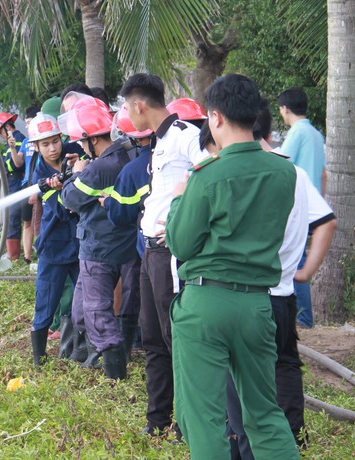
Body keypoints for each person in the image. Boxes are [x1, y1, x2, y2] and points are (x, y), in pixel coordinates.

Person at [165, 73, 300, 459]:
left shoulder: (206, 176)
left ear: (216, 117)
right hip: (258, 304)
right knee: (264, 413)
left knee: (203, 418)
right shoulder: (283, 171)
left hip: (207, 302)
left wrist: (179, 199)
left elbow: (181, 242)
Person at [226, 156, 337, 460]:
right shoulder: (295, 173)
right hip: (284, 293)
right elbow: (327, 221)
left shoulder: (236, 172)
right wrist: (305, 271)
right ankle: (293, 440)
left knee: (241, 380)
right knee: (285, 366)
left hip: (248, 295)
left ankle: (245, 446)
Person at [120, 73, 205, 438]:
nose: (127, 114)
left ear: (139, 105)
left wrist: (177, 217)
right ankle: (157, 422)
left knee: (176, 341)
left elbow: (210, 170)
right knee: (152, 338)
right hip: (149, 252)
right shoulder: (158, 141)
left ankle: (189, 425)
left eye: (126, 107)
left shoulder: (186, 135)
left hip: (170, 252)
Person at [60, 96, 137, 379]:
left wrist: (75, 173)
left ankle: (115, 374)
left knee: (95, 312)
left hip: (98, 250)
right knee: (82, 310)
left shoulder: (97, 168)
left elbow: (70, 198)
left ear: (91, 139)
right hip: (118, 247)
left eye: (81, 141)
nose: (79, 147)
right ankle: (93, 355)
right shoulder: (126, 156)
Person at [100, 105, 155, 355]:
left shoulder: (132, 170)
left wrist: (107, 201)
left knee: (141, 290)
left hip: (149, 247)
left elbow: (120, 214)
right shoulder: (178, 157)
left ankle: (136, 341)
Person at [27, 112, 80, 366]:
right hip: (54, 247)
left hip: (80, 245)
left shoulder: (74, 153)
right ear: (36, 147)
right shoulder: (39, 174)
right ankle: (39, 358)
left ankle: (82, 350)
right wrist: (62, 190)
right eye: (45, 144)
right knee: (46, 301)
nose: (52, 148)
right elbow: (60, 209)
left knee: (86, 300)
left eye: (55, 141)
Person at [278, 87, 327, 328]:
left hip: (296, 206)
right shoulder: (317, 135)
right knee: (300, 259)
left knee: (296, 263)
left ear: (285, 109)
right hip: (314, 206)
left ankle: (304, 319)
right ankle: (304, 317)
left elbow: (282, 165)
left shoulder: (296, 132)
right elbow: (324, 174)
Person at [0, 112, 26, 261]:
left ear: (7, 126)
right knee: (9, 216)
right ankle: (11, 253)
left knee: (12, 217)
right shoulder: (13, 139)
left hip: (15, 181)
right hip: (10, 182)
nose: (1, 136)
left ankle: (13, 256)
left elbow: (15, 165)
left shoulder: (18, 139)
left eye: (0, 132)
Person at [19, 105, 41, 264]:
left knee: (39, 223)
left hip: (39, 186)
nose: (26, 126)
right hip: (26, 185)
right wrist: (12, 148)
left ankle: (42, 255)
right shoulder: (26, 141)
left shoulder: (43, 141)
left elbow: (40, 167)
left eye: (28, 122)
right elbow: (18, 162)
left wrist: (35, 191)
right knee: (27, 222)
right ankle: (27, 257)